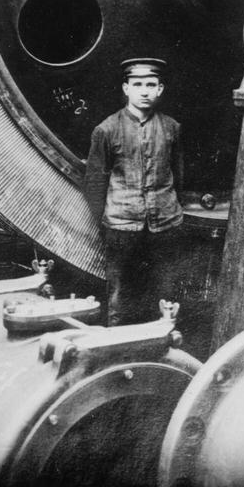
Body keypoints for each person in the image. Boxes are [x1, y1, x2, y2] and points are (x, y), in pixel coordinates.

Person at [84, 57, 184, 326]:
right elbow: (94, 182)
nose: (144, 90)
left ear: (160, 89)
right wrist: (106, 223)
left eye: (150, 84)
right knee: (119, 294)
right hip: (121, 227)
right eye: (137, 84)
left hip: (165, 224)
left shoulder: (172, 128)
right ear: (126, 88)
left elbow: (179, 175)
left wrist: (171, 208)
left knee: (166, 292)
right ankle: (117, 345)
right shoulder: (106, 130)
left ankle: (165, 342)